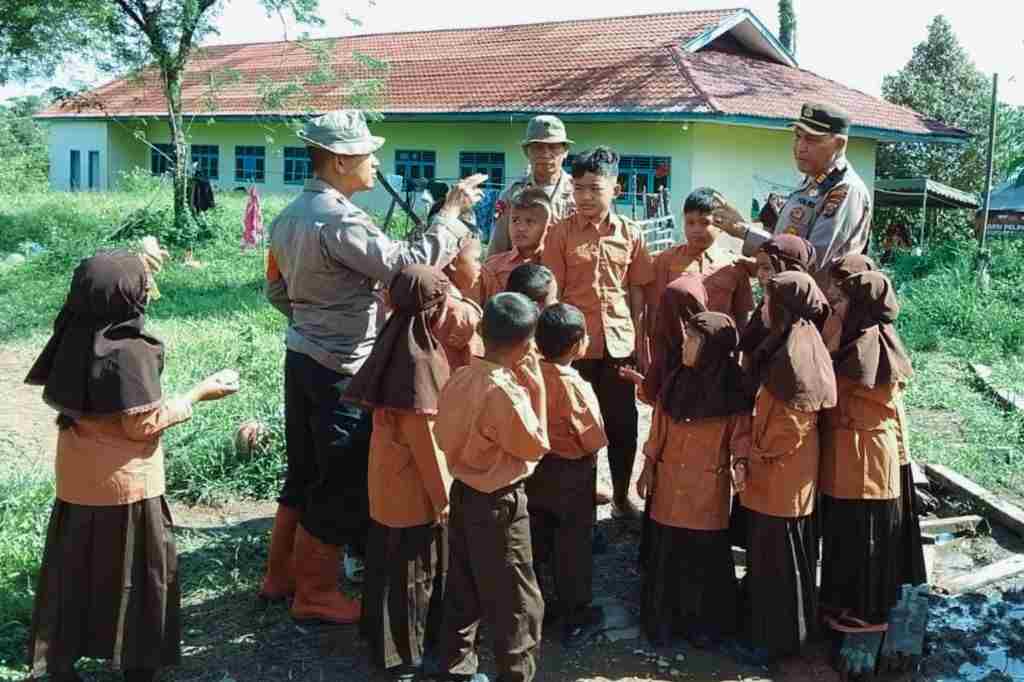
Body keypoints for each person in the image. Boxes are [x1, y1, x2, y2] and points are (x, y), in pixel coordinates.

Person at [261, 109, 485, 622]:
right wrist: (449, 217)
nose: (375, 162)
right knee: (339, 478)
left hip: (303, 356)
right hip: (342, 363)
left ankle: (280, 576)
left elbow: (277, 289)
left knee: (304, 470)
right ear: (340, 161)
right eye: (368, 154)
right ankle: (315, 593)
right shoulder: (337, 219)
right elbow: (407, 266)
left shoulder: (290, 214)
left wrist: (313, 319)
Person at [25, 246, 240, 682]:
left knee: (76, 576)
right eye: (143, 284)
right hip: (128, 491)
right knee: (139, 579)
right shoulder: (129, 351)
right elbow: (142, 425)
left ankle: (61, 663)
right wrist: (199, 393)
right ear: (128, 297)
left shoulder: (73, 332)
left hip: (77, 485)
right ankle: (137, 664)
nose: (148, 290)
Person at [344, 266, 457, 681]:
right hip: (414, 490)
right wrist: (445, 499)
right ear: (434, 309)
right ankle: (404, 654)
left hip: (386, 480)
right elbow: (425, 441)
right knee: (412, 572)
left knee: (386, 566)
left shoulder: (394, 339)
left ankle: (380, 640)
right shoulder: (419, 359)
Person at [434, 293, 548, 682]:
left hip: (463, 494)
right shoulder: (505, 392)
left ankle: (457, 670)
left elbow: (442, 434)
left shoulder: (461, 376)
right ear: (525, 346)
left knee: (463, 589)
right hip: (501, 505)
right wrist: (539, 394)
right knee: (517, 601)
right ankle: (515, 674)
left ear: (482, 332)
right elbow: (536, 445)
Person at [542, 146, 655, 520]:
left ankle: (622, 497)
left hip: (618, 344)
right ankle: (578, 498)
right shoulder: (559, 234)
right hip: (574, 348)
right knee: (571, 424)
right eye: (578, 189)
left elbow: (637, 291)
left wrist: (641, 341)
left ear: (615, 189)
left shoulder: (631, 234)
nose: (585, 197)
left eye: (594, 188)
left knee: (623, 424)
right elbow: (552, 293)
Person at [732, 271, 837, 665]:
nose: (761, 306)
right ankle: (774, 633)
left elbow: (791, 423)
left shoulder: (795, 353)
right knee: (776, 557)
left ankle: (779, 643)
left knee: (779, 561)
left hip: (781, 473)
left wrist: (750, 455)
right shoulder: (792, 340)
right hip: (781, 472)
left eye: (767, 300)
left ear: (785, 308)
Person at [638, 312, 752, 649]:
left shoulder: (732, 390)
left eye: (693, 339)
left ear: (712, 348)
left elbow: (740, 436)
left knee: (703, 559)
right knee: (667, 554)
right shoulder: (675, 381)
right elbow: (658, 429)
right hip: (669, 484)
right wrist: (648, 466)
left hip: (707, 490)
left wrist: (741, 464)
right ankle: (664, 622)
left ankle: (703, 626)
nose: (685, 345)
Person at [819, 270, 915, 630]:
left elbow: (840, 393)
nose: (836, 307)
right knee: (848, 532)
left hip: (866, 457)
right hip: (852, 455)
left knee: (866, 535)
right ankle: (845, 603)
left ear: (859, 305)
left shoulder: (869, 345)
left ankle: (867, 611)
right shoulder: (855, 337)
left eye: (842, 301)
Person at [712, 103, 872, 290]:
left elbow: (809, 260)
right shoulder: (812, 183)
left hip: (814, 309)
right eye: (797, 136)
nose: (800, 147)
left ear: (839, 144)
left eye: (811, 140)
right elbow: (786, 243)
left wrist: (747, 235)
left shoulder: (844, 190)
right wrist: (744, 232)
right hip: (787, 298)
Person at [528, 303, 608, 648]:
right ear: (577, 344)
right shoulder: (574, 385)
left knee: (539, 535)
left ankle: (539, 605)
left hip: (536, 469)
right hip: (571, 474)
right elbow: (594, 437)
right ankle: (575, 612)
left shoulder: (528, 373)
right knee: (573, 543)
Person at [645, 188, 755, 350]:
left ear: (720, 225)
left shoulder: (734, 265)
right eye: (690, 222)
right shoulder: (665, 260)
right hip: (676, 351)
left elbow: (741, 318)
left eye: (705, 223)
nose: (696, 229)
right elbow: (654, 311)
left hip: (719, 353)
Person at [487, 115, 575, 257]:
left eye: (553, 147)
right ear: (527, 152)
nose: (546, 154)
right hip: (522, 274)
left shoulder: (577, 193)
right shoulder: (512, 194)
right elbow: (498, 248)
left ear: (565, 152)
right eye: (538, 147)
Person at [480, 189, 552, 304]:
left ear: (548, 228)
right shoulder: (492, 267)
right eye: (515, 220)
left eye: (530, 222)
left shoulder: (557, 267)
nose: (520, 228)